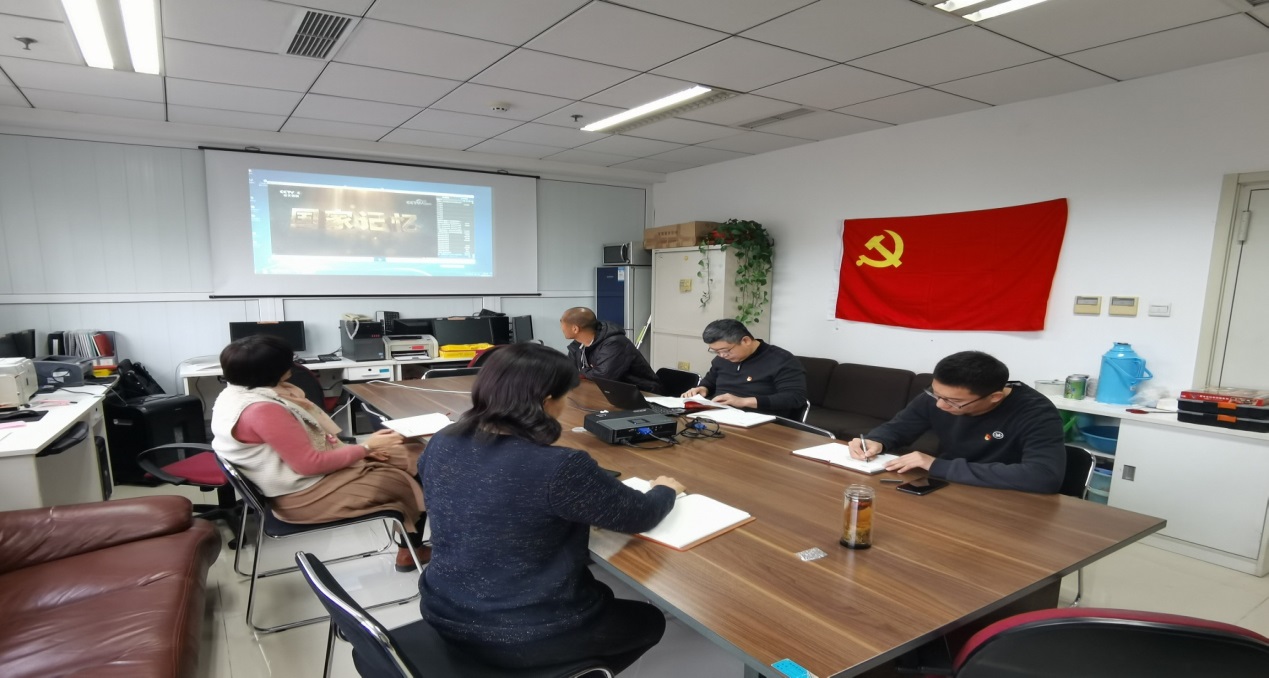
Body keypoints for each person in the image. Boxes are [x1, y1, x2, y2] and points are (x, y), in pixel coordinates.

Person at [420, 342, 683, 673]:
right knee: (649, 620)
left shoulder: (443, 440)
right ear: (546, 402)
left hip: (443, 610)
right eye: (565, 397)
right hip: (523, 634)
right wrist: (665, 490)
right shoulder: (560, 466)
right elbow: (640, 515)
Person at [210, 335, 429, 571]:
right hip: (303, 496)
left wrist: (358, 451)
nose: (294, 365)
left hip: (298, 480)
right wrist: (366, 448)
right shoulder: (262, 410)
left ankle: (412, 545)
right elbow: (309, 464)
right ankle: (411, 551)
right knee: (417, 472)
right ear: (272, 371)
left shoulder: (235, 393)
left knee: (418, 454)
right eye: (289, 361)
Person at [847, 350, 1065, 493]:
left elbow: (1043, 476)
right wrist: (876, 441)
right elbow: (899, 428)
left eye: (954, 402)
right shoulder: (942, 396)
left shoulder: (1036, 413)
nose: (940, 405)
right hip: (945, 487)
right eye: (935, 394)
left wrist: (936, 465)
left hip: (1003, 496)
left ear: (995, 397)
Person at [682, 318, 808, 420]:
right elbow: (710, 381)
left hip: (760, 422)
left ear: (746, 341)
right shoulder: (721, 360)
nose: (722, 356)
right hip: (718, 417)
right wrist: (703, 388)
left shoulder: (782, 360)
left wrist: (743, 401)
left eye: (725, 350)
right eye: (716, 351)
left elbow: (795, 397)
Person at [560, 307, 661, 393]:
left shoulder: (614, 343)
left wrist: (582, 372)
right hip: (613, 393)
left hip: (645, 394)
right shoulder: (578, 344)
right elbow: (570, 371)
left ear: (575, 329)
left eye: (562, 324)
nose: (561, 328)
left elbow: (603, 377)